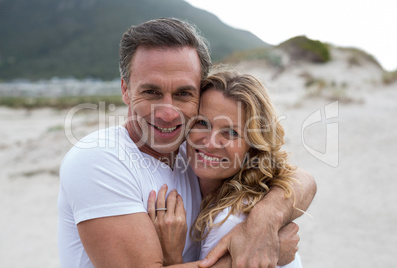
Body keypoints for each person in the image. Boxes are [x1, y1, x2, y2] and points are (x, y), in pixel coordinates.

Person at [58, 18, 316, 268]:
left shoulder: (191, 148)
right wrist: (253, 257)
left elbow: (301, 179)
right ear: (126, 89)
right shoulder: (99, 159)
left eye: (183, 93)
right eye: (151, 92)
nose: (168, 113)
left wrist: (264, 222)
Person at [148, 69, 305, 267]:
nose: (210, 143)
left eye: (231, 132)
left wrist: (172, 257)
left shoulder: (229, 220)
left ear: (253, 145)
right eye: (202, 122)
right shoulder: (183, 158)